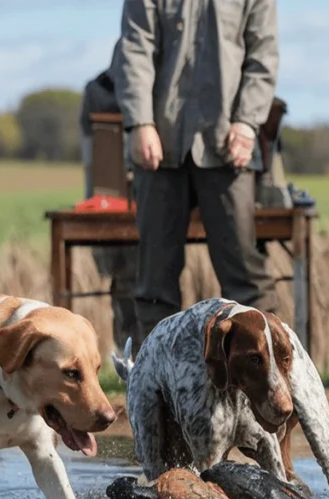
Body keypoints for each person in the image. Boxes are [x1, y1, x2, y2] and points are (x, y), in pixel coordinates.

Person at [113, 0, 280, 346]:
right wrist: (140, 122)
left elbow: (263, 55)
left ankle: (260, 380)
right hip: (159, 143)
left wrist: (247, 123)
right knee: (154, 282)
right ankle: (157, 384)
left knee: (246, 278)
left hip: (227, 145)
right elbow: (135, 48)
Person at [79, 51, 138, 351]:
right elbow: (94, 158)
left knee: (148, 280)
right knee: (123, 278)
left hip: (155, 196)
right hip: (112, 200)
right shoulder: (97, 92)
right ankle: (129, 353)